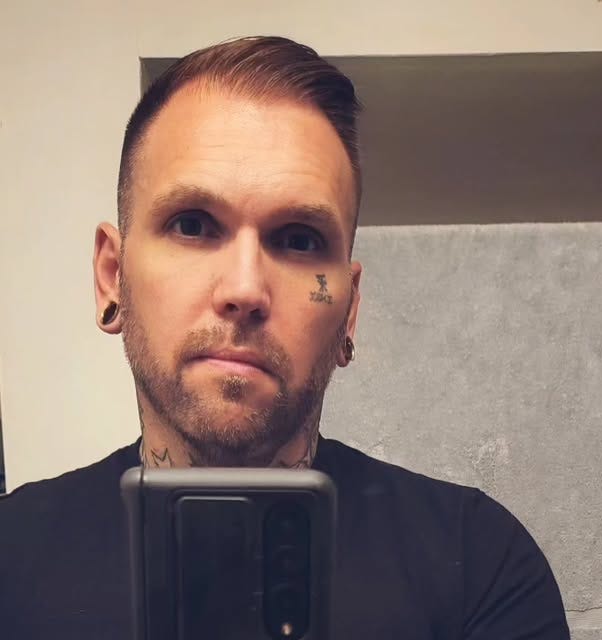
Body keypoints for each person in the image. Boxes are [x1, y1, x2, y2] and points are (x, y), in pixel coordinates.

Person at [0, 36, 570, 639]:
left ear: (349, 311)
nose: (245, 288)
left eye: (299, 239)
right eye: (192, 225)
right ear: (112, 276)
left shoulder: (480, 563)